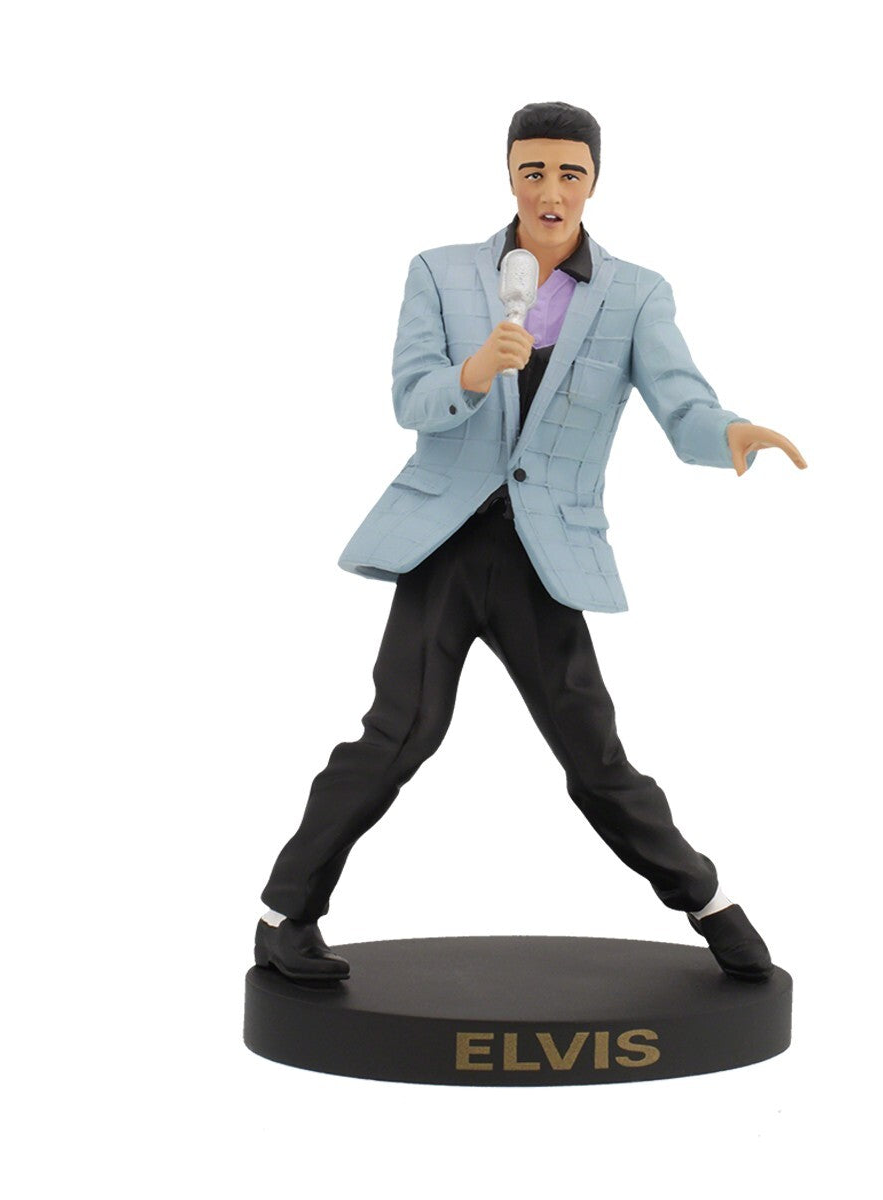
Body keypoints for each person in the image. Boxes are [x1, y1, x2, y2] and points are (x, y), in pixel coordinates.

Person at [255, 101, 806, 982]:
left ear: (594, 181)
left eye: (569, 173)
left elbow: (682, 402)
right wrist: (475, 371)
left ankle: (708, 903)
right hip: (443, 543)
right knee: (397, 734)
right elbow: (411, 397)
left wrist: (730, 434)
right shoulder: (441, 272)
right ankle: (284, 916)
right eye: (533, 171)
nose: (551, 191)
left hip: (545, 557)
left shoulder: (635, 293)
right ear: (510, 175)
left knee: (595, 757)